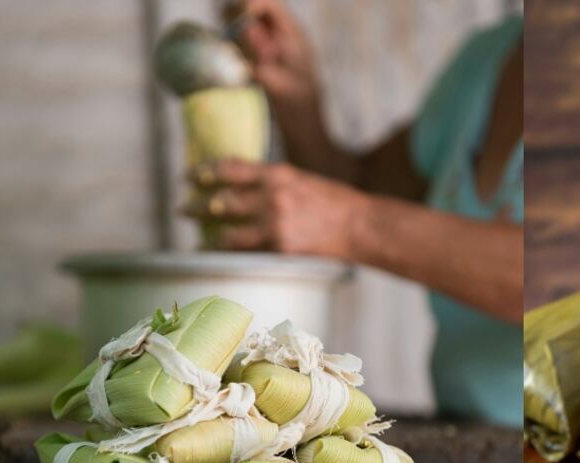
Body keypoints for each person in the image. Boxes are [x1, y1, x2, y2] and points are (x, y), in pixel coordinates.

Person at [184, 1, 523, 428]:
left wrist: (350, 224)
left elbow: (576, 278)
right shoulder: (490, 58)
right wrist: (298, 101)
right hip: (478, 442)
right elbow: (359, 189)